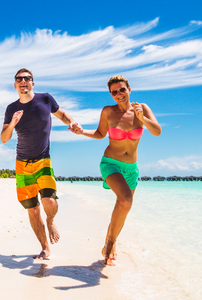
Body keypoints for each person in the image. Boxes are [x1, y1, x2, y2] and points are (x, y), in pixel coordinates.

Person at [70, 75, 161, 266]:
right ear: (111, 94)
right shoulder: (108, 112)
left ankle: (110, 241)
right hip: (110, 163)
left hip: (131, 168)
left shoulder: (142, 108)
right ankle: (110, 243)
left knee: (123, 207)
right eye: (114, 92)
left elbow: (157, 131)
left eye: (122, 90)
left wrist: (141, 118)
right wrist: (81, 131)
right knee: (126, 199)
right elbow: (100, 133)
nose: (119, 94)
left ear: (129, 89)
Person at [1, 68, 81, 260]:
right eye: (19, 79)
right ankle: (45, 248)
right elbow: (4, 138)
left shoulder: (45, 99)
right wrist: (13, 123)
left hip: (43, 160)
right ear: (15, 85)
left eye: (27, 79)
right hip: (22, 164)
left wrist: (72, 122)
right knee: (33, 208)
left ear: (32, 83)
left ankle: (51, 220)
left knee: (49, 201)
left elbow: (61, 114)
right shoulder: (11, 108)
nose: (23, 81)